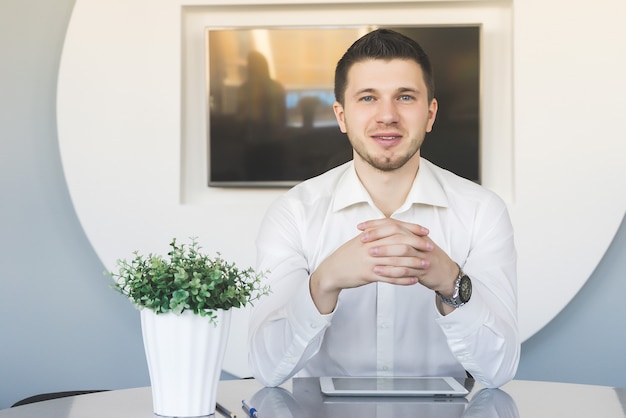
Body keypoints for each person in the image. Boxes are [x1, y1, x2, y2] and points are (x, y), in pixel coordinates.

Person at [248, 29, 519, 389]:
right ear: (341, 116)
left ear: (430, 114)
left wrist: (451, 283)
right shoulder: (294, 213)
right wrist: (323, 283)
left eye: (405, 97)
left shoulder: (482, 212)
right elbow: (267, 369)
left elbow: (499, 371)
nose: (387, 115)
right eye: (368, 98)